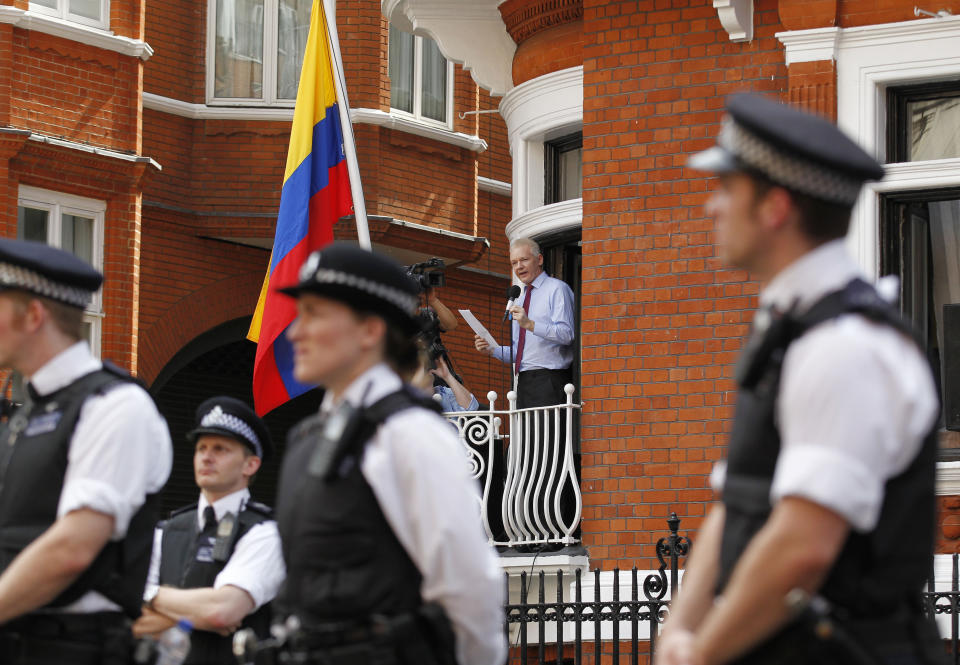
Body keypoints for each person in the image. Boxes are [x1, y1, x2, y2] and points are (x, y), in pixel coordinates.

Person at [656, 93, 946, 665]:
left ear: (775, 208)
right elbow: (737, 501)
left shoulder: (845, 348)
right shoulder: (791, 330)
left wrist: (703, 653)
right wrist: (676, 630)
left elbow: (801, 550)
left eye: (726, 188)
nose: (712, 207)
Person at [267, 242, 505, 665]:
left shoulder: (410, 434)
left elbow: (468, 587)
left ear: (370, 330)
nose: (296, 332)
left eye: (316, 314)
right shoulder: (308, 437)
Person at [0, 238, 172, 664]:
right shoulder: (29, 414)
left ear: (34, 315)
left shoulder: (114, 405)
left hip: (72, 647)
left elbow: (72, 549)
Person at [133, 396, 285, 664]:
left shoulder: (264, 532)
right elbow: (131, 620)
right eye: (201, 448)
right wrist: (198, 615)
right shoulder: (167, 530)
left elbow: (222, 611)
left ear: (251, 464)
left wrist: (150, 597)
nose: (206, 457)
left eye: (220, 449)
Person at [474, 237, 574, 410]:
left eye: (524, 260)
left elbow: (567, 334)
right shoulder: (519, 299)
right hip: (524, 381)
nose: (519, 266)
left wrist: (530, 324)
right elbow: (519, 352)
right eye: (514, 263)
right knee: (526, 437)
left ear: (540, 259)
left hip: (550, 379)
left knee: (547, 436)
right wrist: (491, 349)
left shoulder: (557, 289)